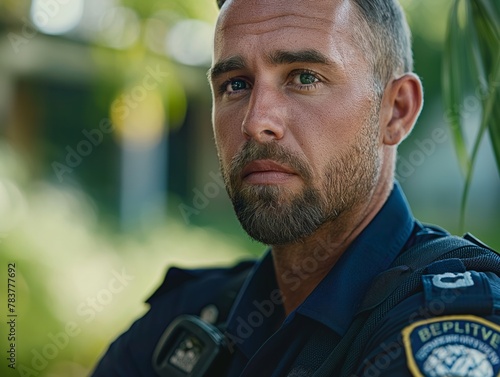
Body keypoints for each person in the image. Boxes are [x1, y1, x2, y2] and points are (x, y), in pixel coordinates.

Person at [92, 0, 500, 375]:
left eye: (304, 77)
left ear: (395, 111)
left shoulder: (444, 325)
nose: (255, 121)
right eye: (236, 84)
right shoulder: (187, 318)